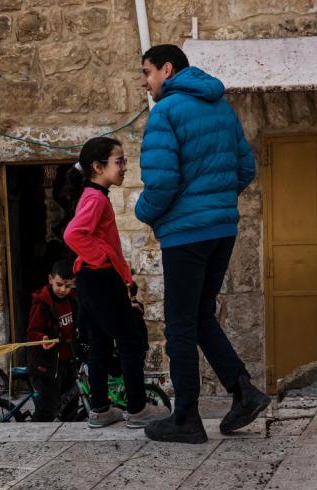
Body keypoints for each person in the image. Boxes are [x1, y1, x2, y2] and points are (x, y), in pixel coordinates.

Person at [135, 44, 269, 445]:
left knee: (179, 324)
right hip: (221, 229)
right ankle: (244, 391)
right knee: (199, 316)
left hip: (186, 234)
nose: (145, 82)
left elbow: (160, 182)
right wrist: (216, 201)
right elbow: (245, 168)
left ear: (168, 69)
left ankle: (186, 418)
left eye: (147, 72)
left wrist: (146, 214)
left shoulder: (166, 113)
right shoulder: (222, 108)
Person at [63, 137, 170, 429]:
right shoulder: (96, 198)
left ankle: (100, 409)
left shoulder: (92, 194)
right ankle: (137, 410)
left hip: (89, 278)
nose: (124, 167)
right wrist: (105, 258)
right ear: (98, 167)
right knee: (130, 341)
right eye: (119, 161)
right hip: (100, 276)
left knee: (99, 342)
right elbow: (73, 235)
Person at [26, 259, 79, 422]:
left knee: (70, 404)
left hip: (67, 362)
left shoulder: (73, 300)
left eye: (68, 286)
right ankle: (35, 440)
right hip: (47, 366)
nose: (63, 290)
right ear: (50, 279)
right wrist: (42, 338)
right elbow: (32, 331)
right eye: (59, 284)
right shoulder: (42, 304)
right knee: (47, 409)